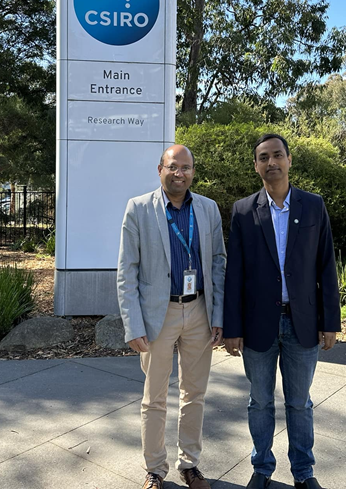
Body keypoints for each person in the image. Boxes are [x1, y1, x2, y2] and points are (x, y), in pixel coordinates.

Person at [223, 133, 340, 489]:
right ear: (256, 165)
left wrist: (330, 321)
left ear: (289, 160)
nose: (271, 162)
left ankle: (303, 473)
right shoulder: (244, 211)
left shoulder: (313, 206)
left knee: (300, 404)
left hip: (302, 323)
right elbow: (235, 274)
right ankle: (262, 468)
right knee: (259, 402)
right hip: (258, 324)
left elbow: (326, 266)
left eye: (277, 155)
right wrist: (232, 327)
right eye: (263, 157)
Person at [117, 144, 226, 489]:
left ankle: (190, 464)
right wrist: (132, 323)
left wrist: (219, 315)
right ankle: (155, 469)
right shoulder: (138, 209)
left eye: (187, 168)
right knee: (155, 396)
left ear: (193, 171)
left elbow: (218, 264)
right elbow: (127, 272)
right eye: (173, 167)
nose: (180, 173)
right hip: (156, 314)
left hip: (198, 310)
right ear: (160, 169)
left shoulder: (208, 209)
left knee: (195, 393)